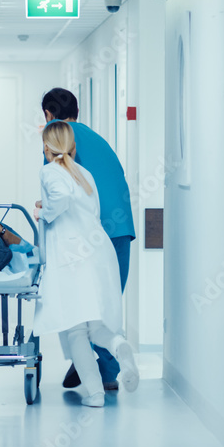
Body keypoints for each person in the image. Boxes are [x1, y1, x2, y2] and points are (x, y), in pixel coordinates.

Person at [32, 122, 139, 407]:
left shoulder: (49, 170)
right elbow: (90, 208)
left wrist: (46, 212)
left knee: (75, 330)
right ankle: (120, 347)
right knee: (96, 323)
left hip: (71, 257)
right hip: (97, 252)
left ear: (46, 147)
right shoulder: (85, 174)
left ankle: (95, 394)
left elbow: (62, 199)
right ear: (74, 146)